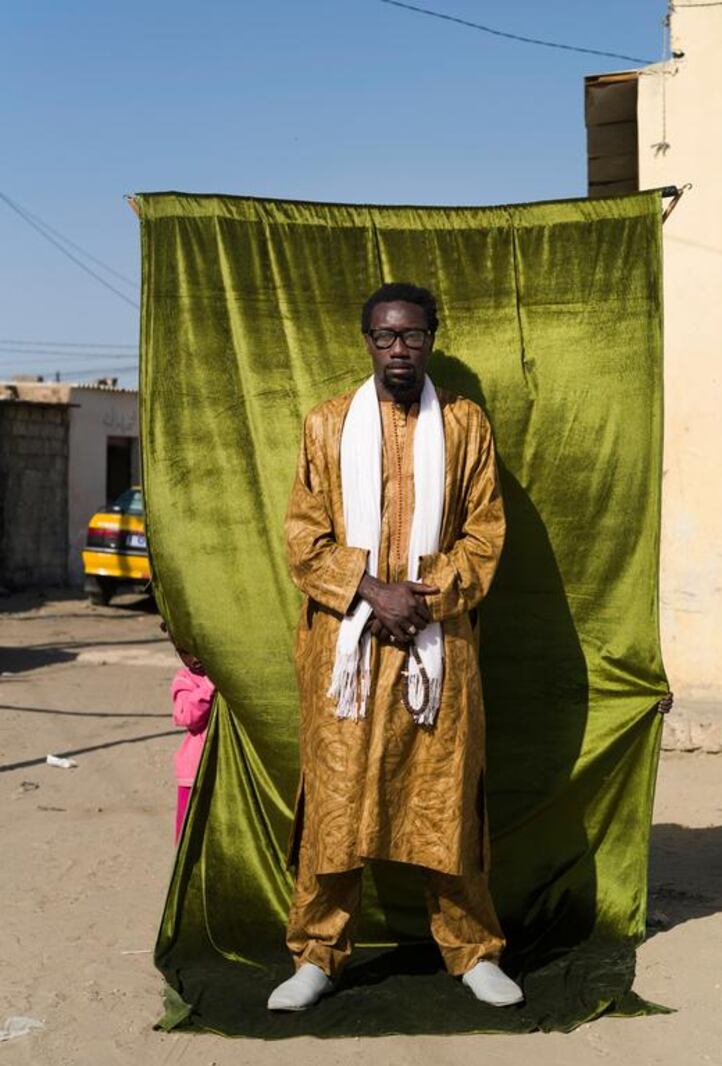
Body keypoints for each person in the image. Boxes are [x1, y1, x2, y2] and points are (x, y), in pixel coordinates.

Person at [269, 281, 523, 1011]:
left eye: (412, 336)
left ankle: (472, 950)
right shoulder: (326, 425)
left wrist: (421, 598)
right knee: (335, 802)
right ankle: (317, 953)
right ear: (368, 342)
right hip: (345, 651)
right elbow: (302, 536)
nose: (399, 350)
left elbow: (484, 534)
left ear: (432, 339)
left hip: (436, 646)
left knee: (445, 802)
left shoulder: (467, 427)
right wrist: (370, 591)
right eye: (385, 337)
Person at [163, 622, 216, 842]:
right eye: (184, 652)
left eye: (197, 649)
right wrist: (210, 684)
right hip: (193, 775)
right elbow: (187, 716)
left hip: (221, 769)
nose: (193, 658)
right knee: (189, 834)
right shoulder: (185, 679)